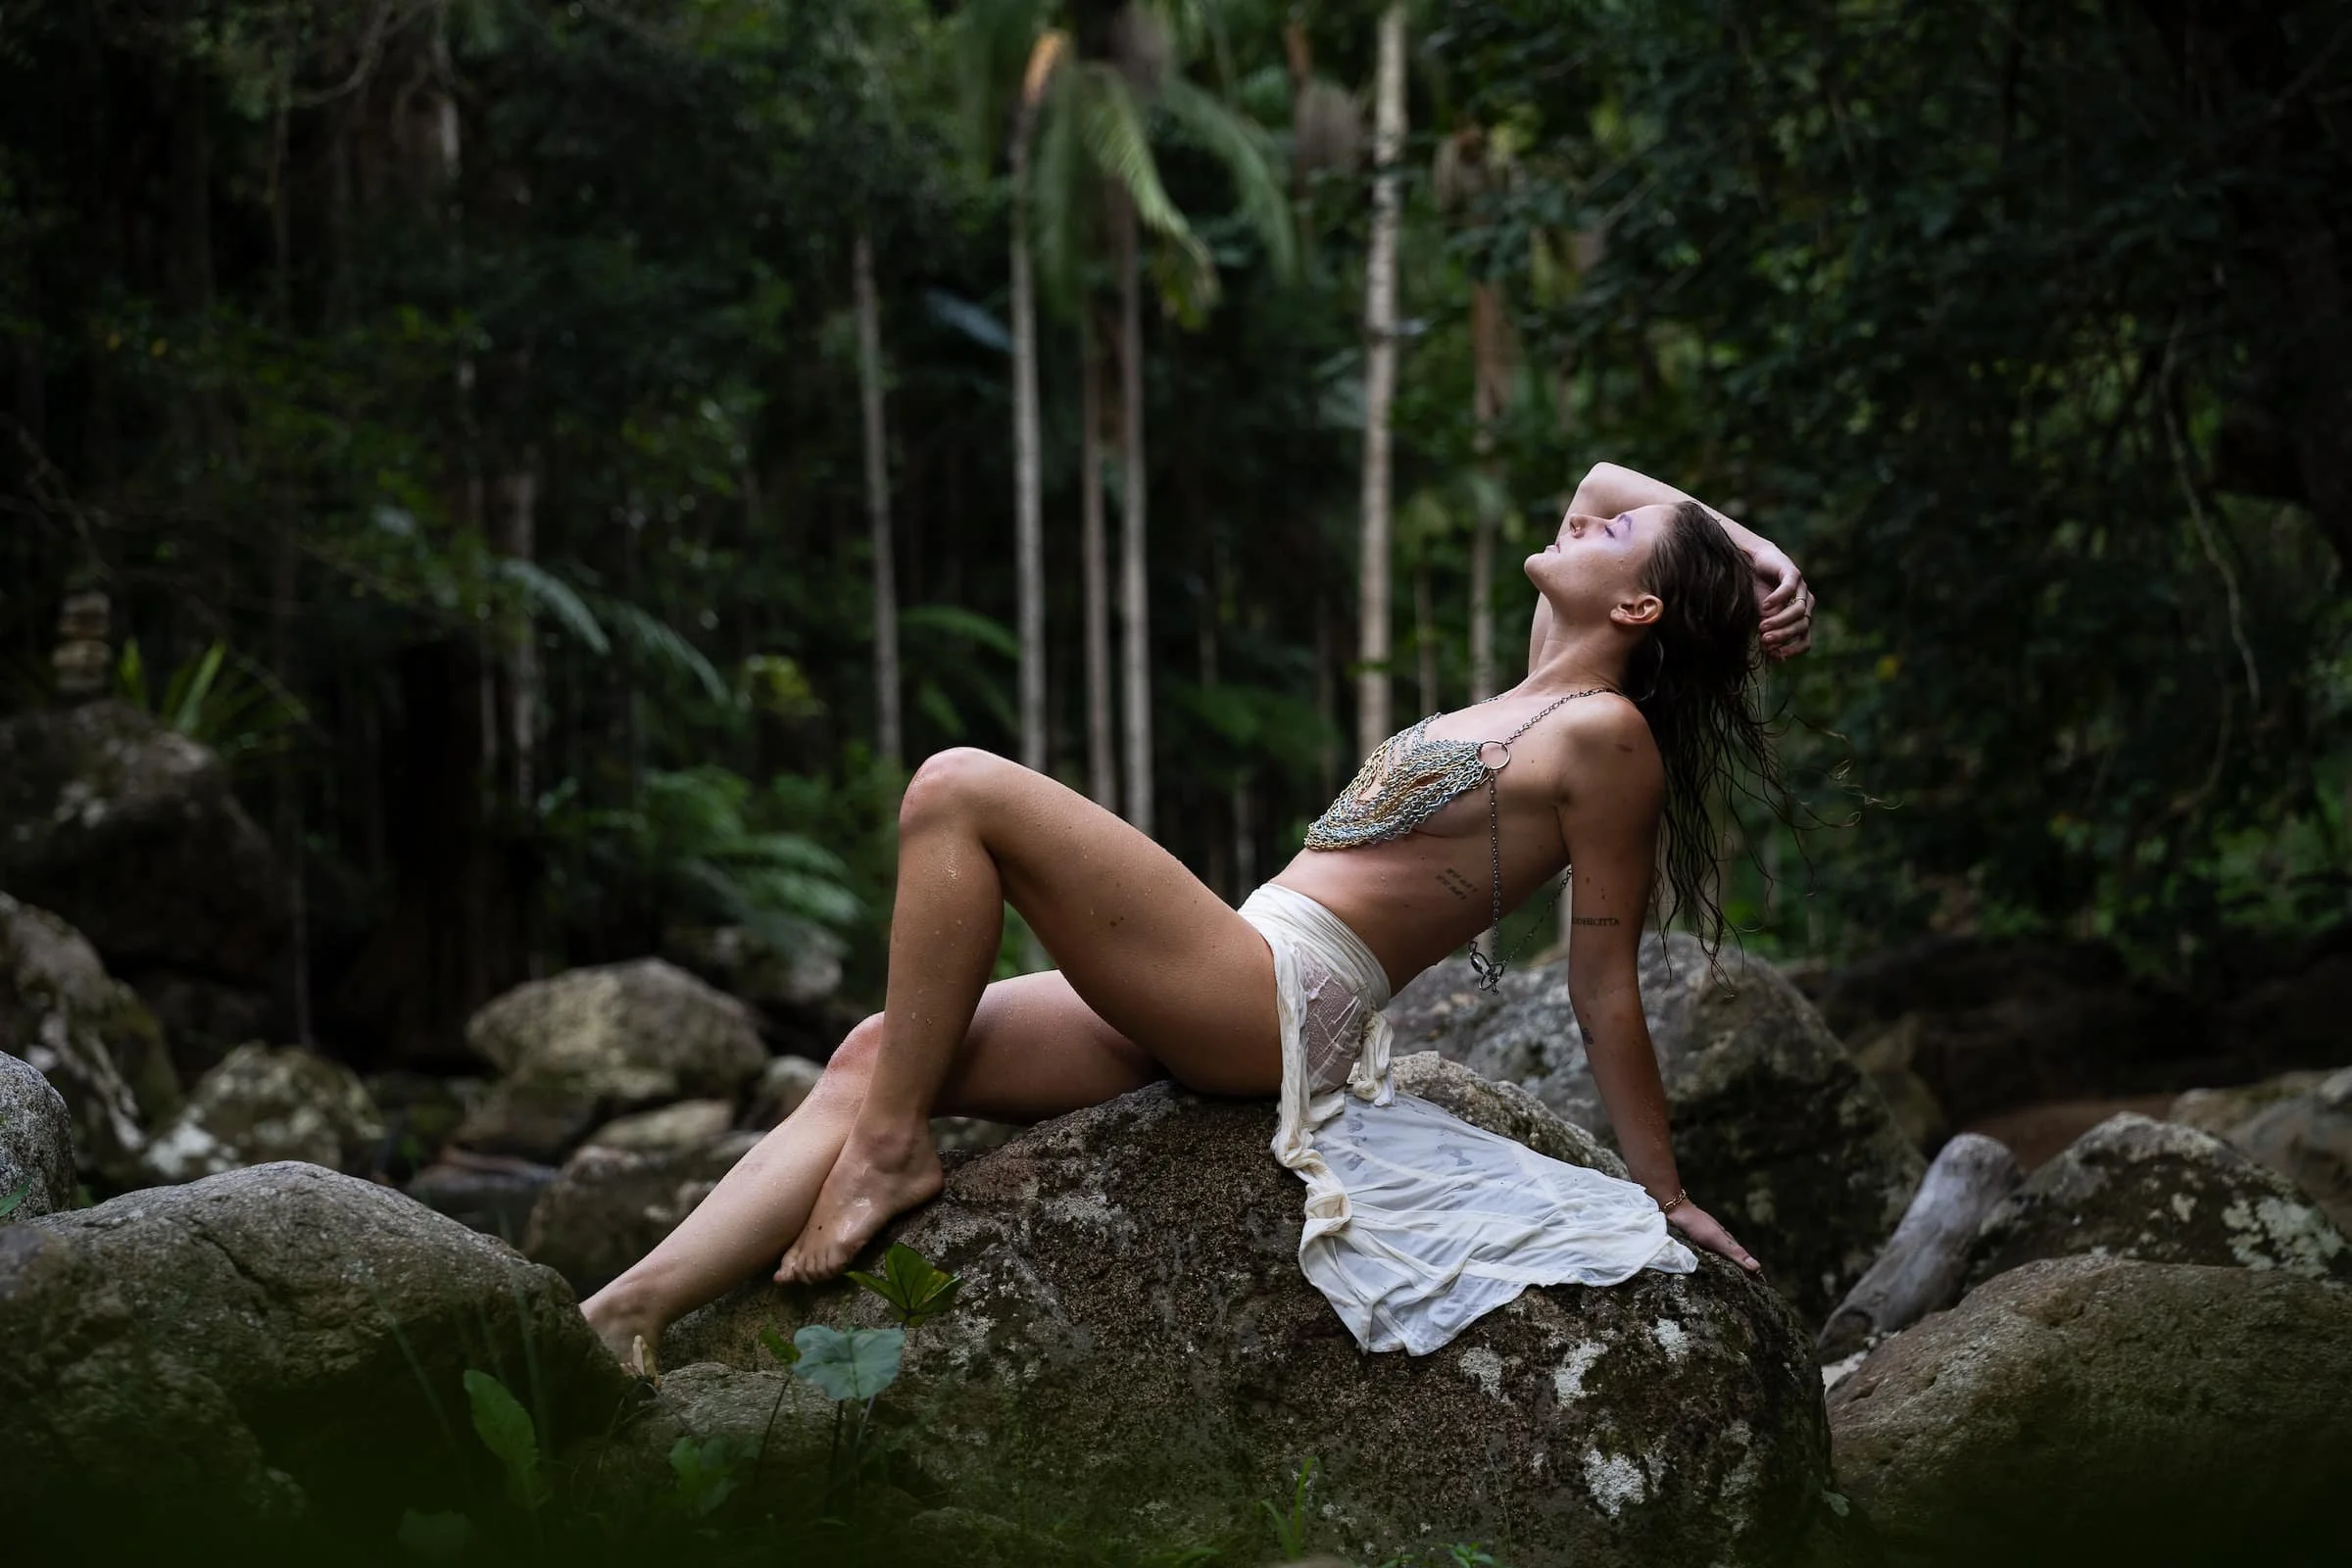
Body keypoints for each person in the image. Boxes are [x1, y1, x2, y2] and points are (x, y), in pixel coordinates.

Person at [581, 461, 1814, 1368]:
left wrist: (1660, 1193)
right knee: (875, 1049)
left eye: (1624, 534)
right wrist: (1760, 554)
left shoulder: (1606, 737)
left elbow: (1601, 986)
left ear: (1641, 608)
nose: (1591, 512)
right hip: (1238, 965)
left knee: (959, 787)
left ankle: (894, 1151)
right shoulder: (1545, 664)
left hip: (1278, 999)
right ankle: (624, 1314)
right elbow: (1604, 475)